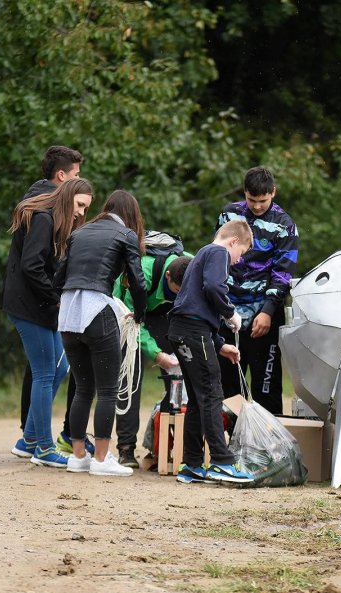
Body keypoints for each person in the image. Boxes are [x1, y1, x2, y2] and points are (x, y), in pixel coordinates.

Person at [56, 190, 147, 476]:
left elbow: (58, 277)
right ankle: (102, 459)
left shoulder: (79, 233)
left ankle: (79, 456)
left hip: (69, 313)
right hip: (98, 310)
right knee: (107, 390)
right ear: (131, 214)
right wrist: (140, 316)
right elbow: (138, 282)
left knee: (83, 389)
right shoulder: (126, 235)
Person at [4, 178, 92, 467]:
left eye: (86, 208)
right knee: (44, 374)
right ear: (67, 197)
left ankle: (28, 439)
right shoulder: (43, 219)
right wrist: (57, 298)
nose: (81, 212)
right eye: (79, 205)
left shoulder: (55, 221)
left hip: (43, 307)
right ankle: (43, 447)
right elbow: (32, 266)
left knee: (60, 367)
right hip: (30, 307)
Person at [167, 220, 255, 485]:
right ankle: (221, 461)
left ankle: (192, 463)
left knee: (197, 398)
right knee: (212, 393)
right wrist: (231, 313)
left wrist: (219, 344)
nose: (239, 261)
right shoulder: (218, 253)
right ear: (233, 242)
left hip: (181, 330)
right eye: (242, 253)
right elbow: (214, 289)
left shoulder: (202, 254)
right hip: (192, 331)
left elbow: (195, 302)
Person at [216, 167, 299, 416]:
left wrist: (268, 311)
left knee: (266, 387)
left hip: (263, 315)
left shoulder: (285, 225)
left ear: (272, 193)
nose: (258, 206)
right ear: (245, 193)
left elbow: (283, 274)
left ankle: (268, 447)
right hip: (227, 312)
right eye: (252, 200)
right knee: (228, 386)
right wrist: (221, 306)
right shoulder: (229, 214)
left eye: (263, 200)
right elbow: (217, 257)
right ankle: (230, 447)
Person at [113, 252, 192, 467]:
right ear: (168, 276)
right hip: (129, 315)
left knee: (185, 369)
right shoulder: (143, 273)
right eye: (177, 290)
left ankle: (179, 445)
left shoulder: (196, 268)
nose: (182, 293)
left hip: (166, 315)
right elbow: (132, 322)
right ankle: (126, 448)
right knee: (130, 376)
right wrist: (157, 355)